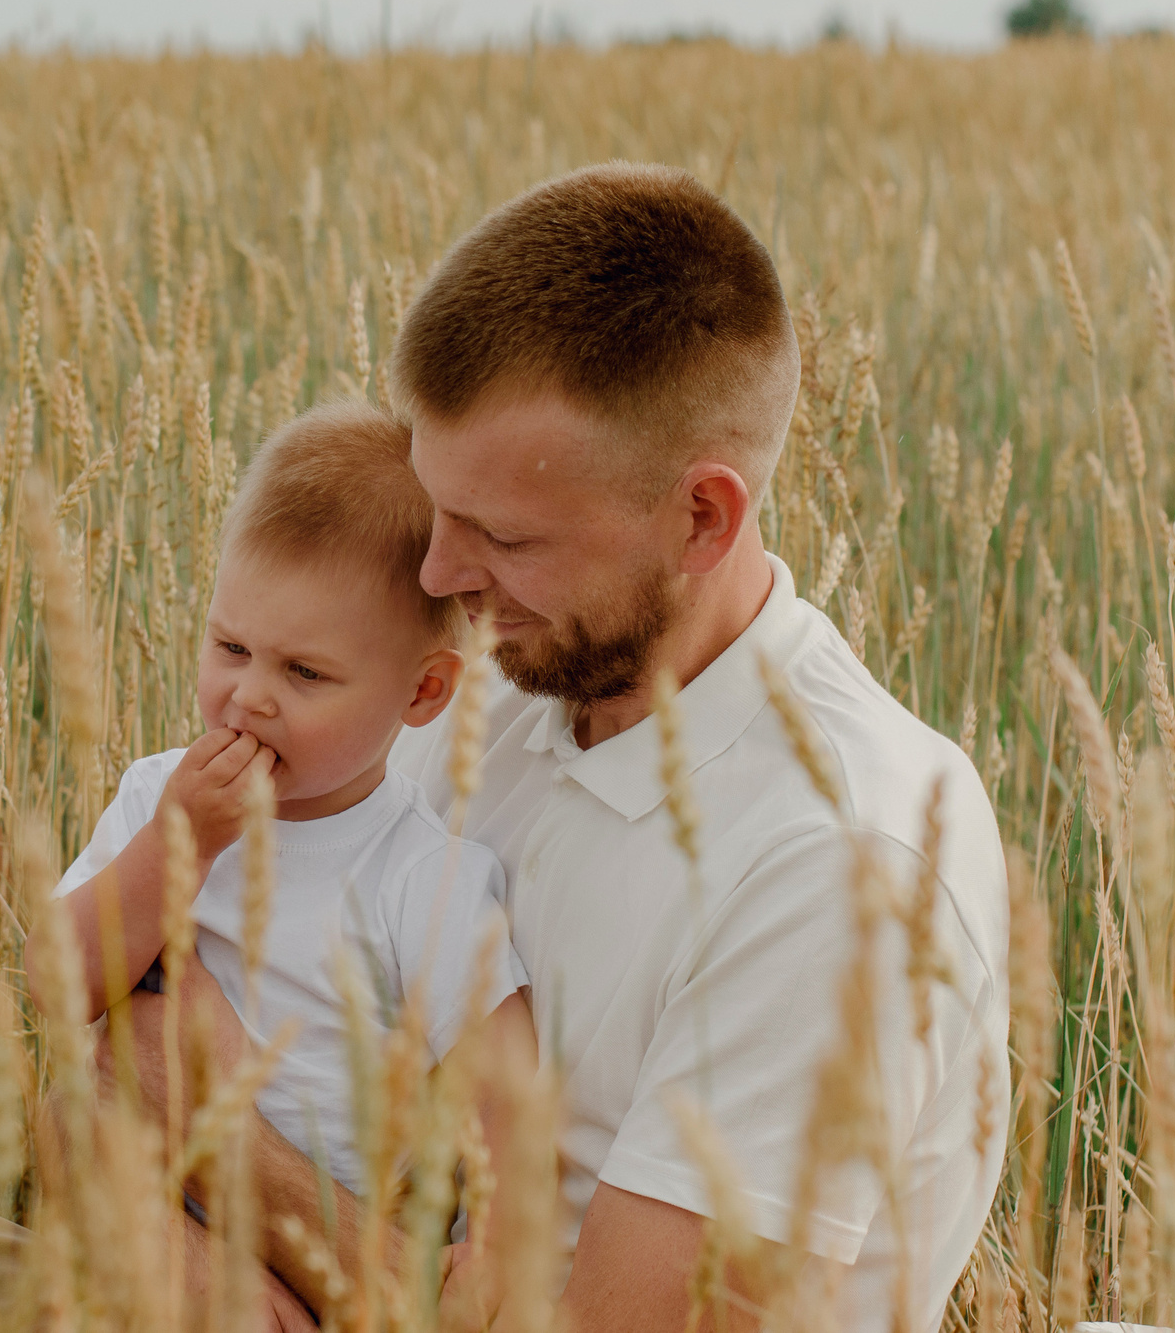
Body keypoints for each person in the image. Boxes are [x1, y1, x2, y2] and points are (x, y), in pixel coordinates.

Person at [349, 161, 1002, 1332]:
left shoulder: (841, 863)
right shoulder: (494, 680)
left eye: (499, 534)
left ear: (702, 517)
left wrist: (251, 1205)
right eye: (432, 509)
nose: (438, 577)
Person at [37, 400, 533, 1330]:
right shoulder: (158, 796)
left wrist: (494, 1239)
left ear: (423, 691)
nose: (249, 697)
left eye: (304, 674)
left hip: (329, 1224)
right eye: (230, 647)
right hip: (153, 1196)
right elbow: (51, 980)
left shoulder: (420, 872)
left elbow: (504, 1077)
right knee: (71, 1122)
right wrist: (175, 850)